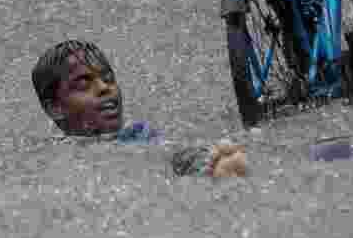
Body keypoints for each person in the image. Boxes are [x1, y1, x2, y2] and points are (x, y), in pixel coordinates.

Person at [31, 39, 248, 178]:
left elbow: (173, 152)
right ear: (54, 107)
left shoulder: (137, 136)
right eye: (83, 84)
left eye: (108, 78)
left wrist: (211, 164)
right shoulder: (47, 158)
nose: (105, 88)